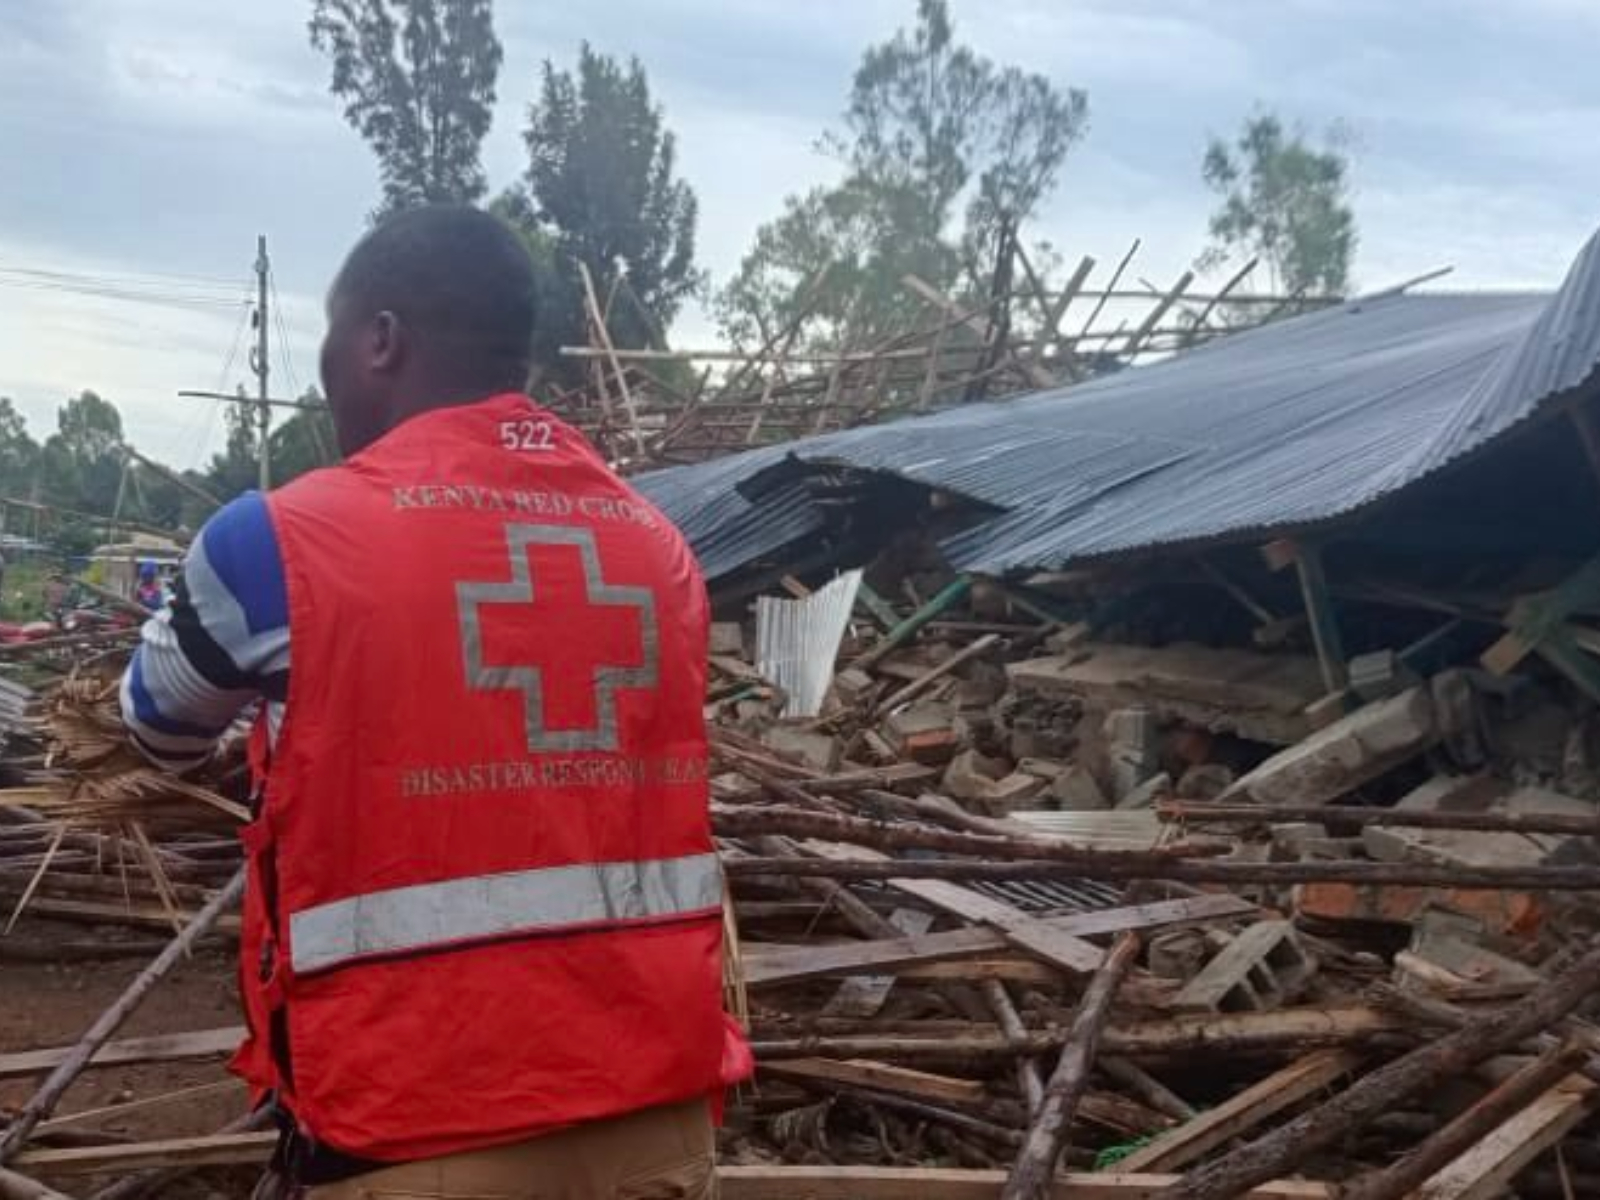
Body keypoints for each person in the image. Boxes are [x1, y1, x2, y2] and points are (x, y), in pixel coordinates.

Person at [120, 205, 746, 1199]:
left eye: (330, 334)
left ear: (379, 339)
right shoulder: (655, 547)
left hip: (417, 1130)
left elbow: (155, 727)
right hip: (654, 1119)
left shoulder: (275, 542)